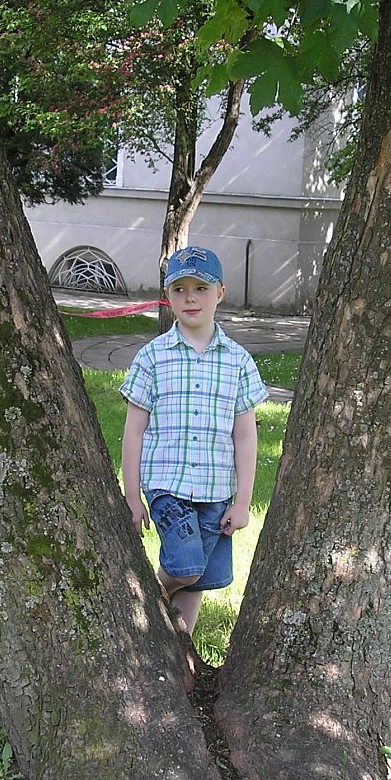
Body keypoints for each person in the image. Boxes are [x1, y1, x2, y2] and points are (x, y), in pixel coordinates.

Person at [120, 246, 268, 637]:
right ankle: (145, 595)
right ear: (167, 296)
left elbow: (245, 435)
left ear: (220, 293)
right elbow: (134, 430)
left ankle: (178, 644)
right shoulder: (153, 357)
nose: (190, 298)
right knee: (185, 568)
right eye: (180, 289)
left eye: (201, 288)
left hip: (216, 490)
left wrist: (242, 501)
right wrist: (132, 497)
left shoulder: (238, 361)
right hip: (167, 486)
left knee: (200, 578)